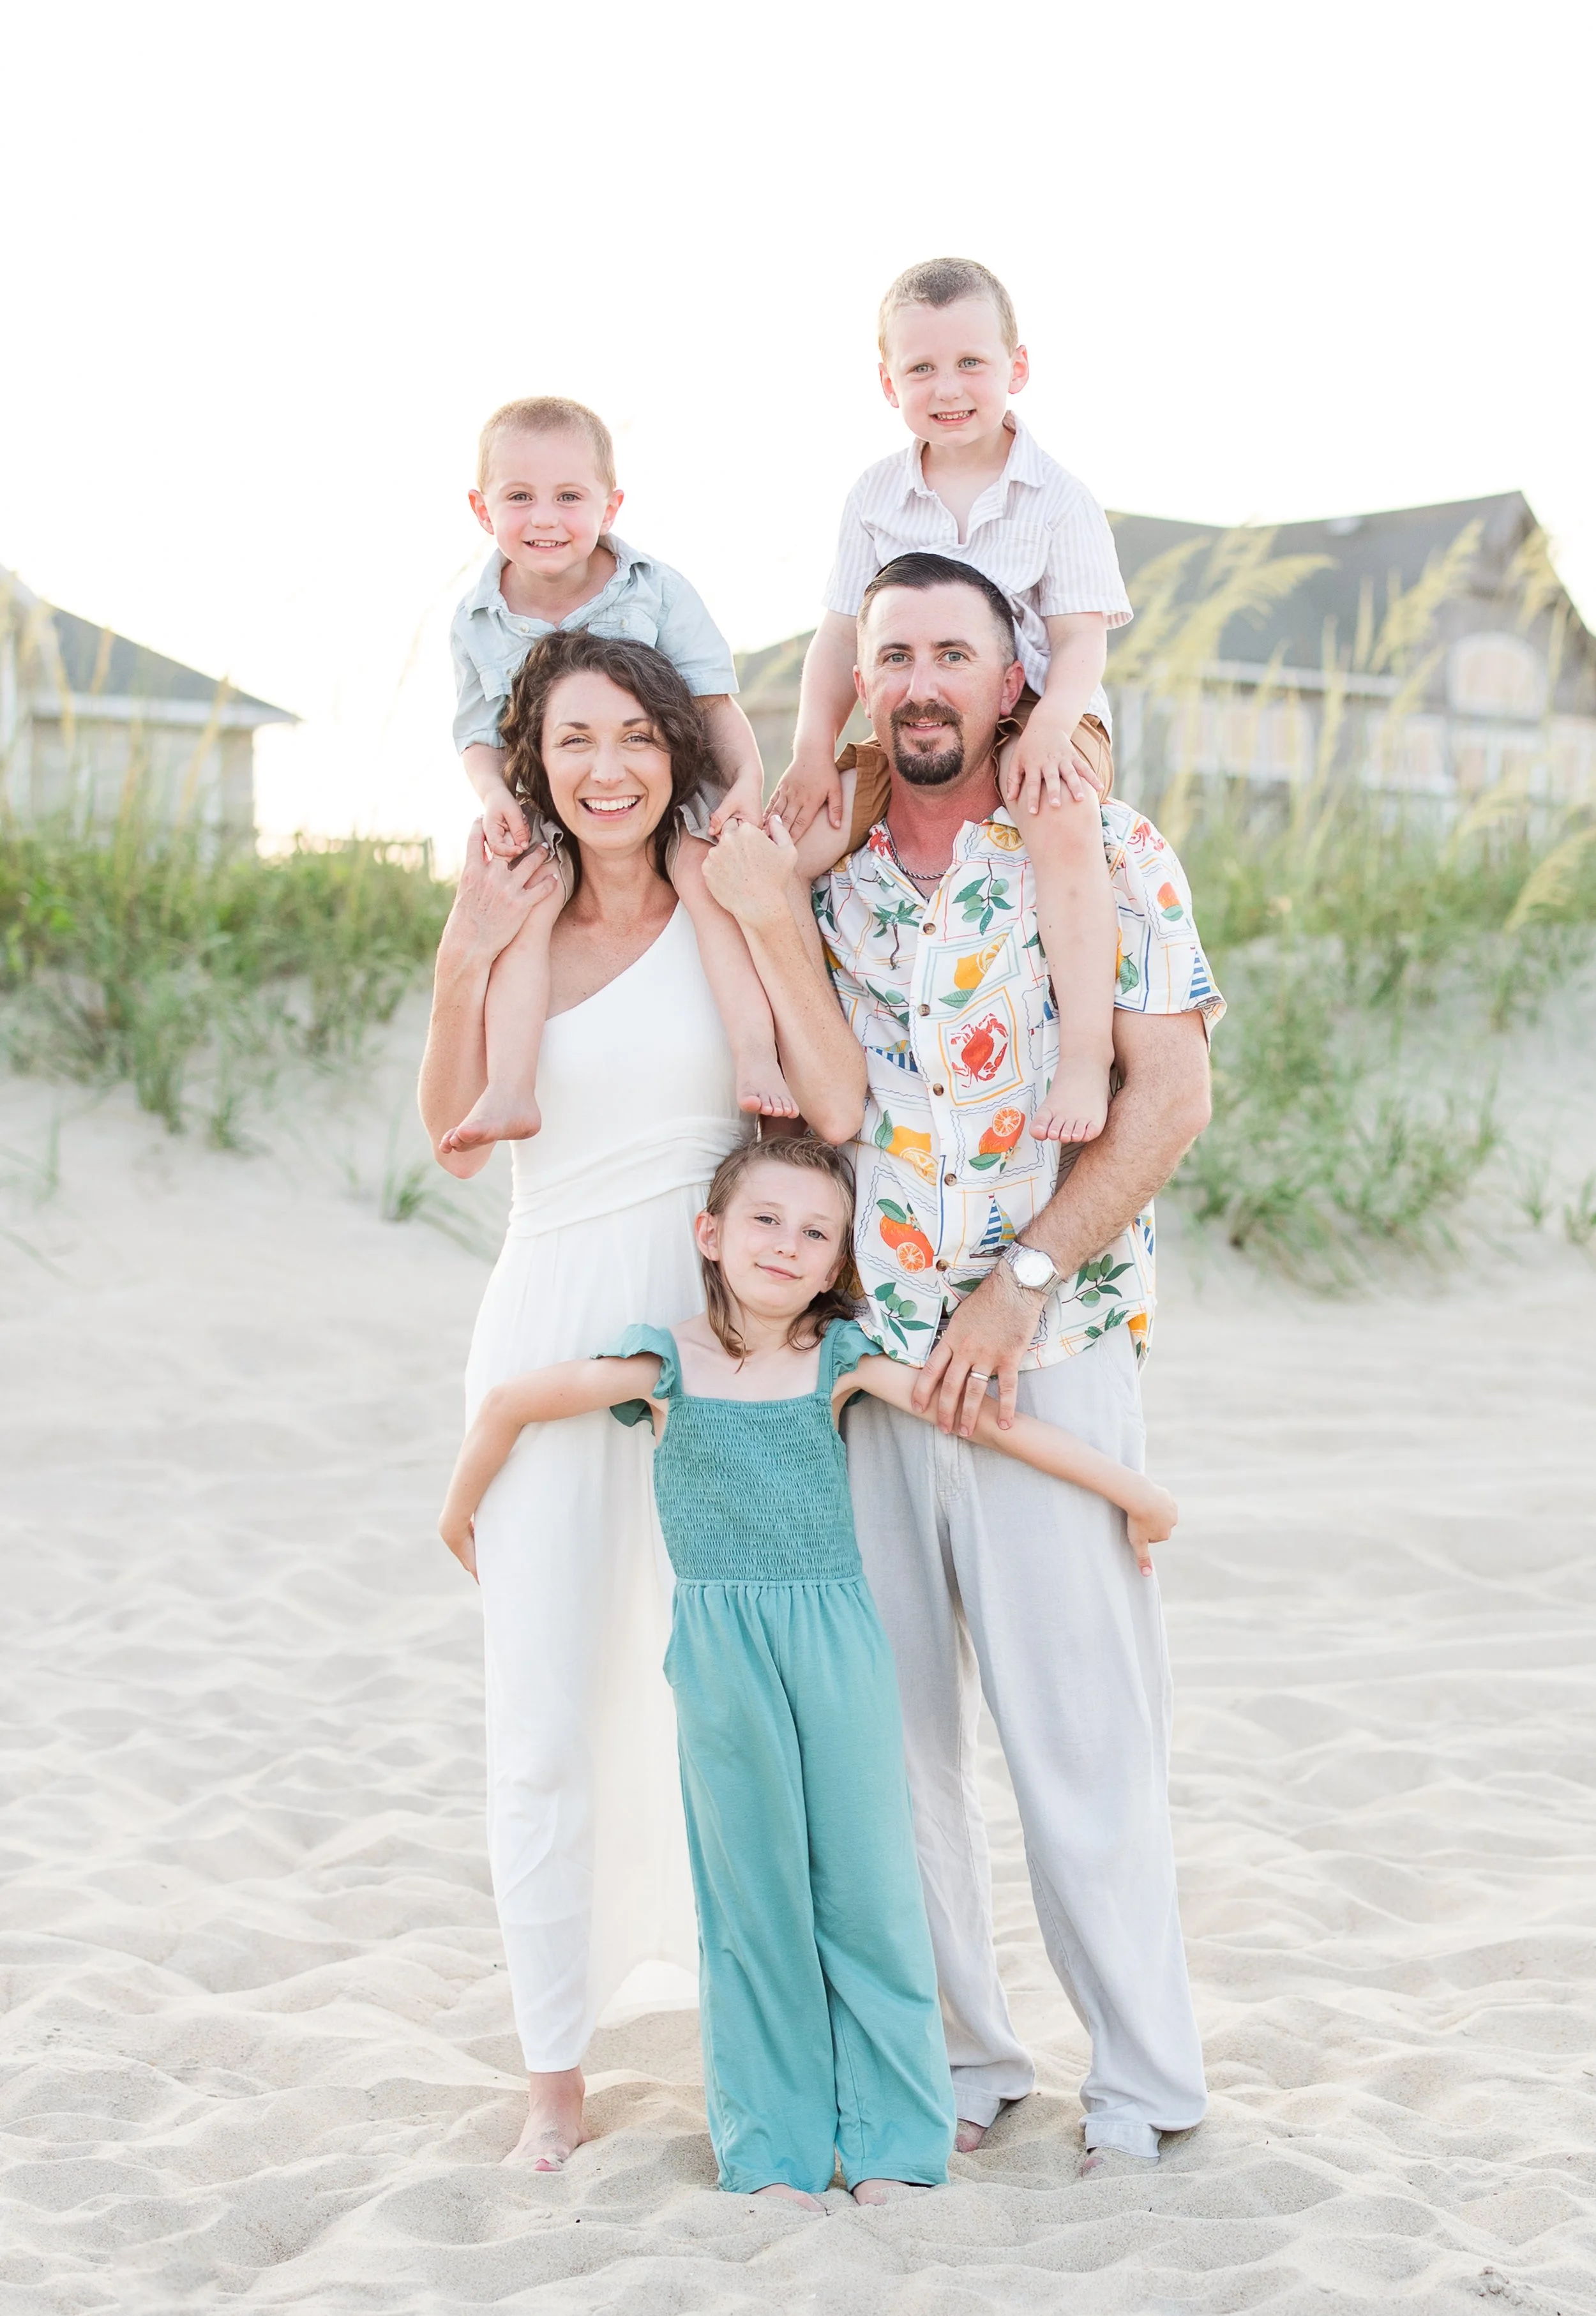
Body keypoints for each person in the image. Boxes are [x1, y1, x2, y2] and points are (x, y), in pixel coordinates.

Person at [707, 552, 1223, 2176]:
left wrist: (1027, 1275)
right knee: (897, 1742)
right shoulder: (835, 877)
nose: (920, 679)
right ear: (861, 684)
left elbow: (1170, 1095)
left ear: (1016, 679)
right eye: (892, 654)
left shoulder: (1108, 851)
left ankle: (1146, 2077)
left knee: (1080, 1739)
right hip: (867, 1375)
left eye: (954, 651)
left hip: (1043, 1356)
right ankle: (965, 2053)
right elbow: (805, 1105)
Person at [439, 1138, 1179, 2206]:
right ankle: (773, 2152)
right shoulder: (660, 1367)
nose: (786, 1245)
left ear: (840, 1265)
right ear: (711, 1237)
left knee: (870, 1893)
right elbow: (509, 1403)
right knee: (753, 1906)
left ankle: (890, 2147)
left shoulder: (839, 1367)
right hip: (721, 1659)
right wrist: (461, 1515)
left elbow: (984, 1419)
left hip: (836, 1652)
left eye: (815, 1232)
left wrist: (1133, 1493)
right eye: (764, 1221)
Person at [417, 635, 865, 2171]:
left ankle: (755, 2010)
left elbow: (839, 1102)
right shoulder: (518, 911)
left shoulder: (726, 903)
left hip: (712, 1346)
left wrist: (775, 924)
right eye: (569, 740)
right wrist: (467, 950)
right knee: (542, 1709)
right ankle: (556, 2070)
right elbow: (449, 1129)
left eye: (632, 736)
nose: (603, 765)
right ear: (531, 765)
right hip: (542, 1319)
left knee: (723, 1699)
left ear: (677, 749)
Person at [770, 257, 1131, 1145]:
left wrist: (1048, 726)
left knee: (1058, 813)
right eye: (922, 369)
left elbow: (1083, 637)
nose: (948, 388)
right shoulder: (875, 496)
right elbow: (834, 638)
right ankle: (782, 1044)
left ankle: (1085, 1050)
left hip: (1041, 709)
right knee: (786, 847)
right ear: (887, 381)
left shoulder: (1060, 497)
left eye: (971, 363)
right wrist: (814, 746)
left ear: (1018, 368)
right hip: (909, 721)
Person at [444, 394, 795, 1145]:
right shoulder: (476, 619)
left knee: (706, 887)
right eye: (519, 497)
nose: (545, 518)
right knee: (531, 907)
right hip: (554, 808)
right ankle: (509, 1089)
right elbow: (477, 732)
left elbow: (713, 702)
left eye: (570, 496)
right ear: (482, 509)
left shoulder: (655, 589)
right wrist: (492, 794)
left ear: (612, 504)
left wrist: (745, 786)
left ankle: (756, 1058)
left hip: (664, 797)